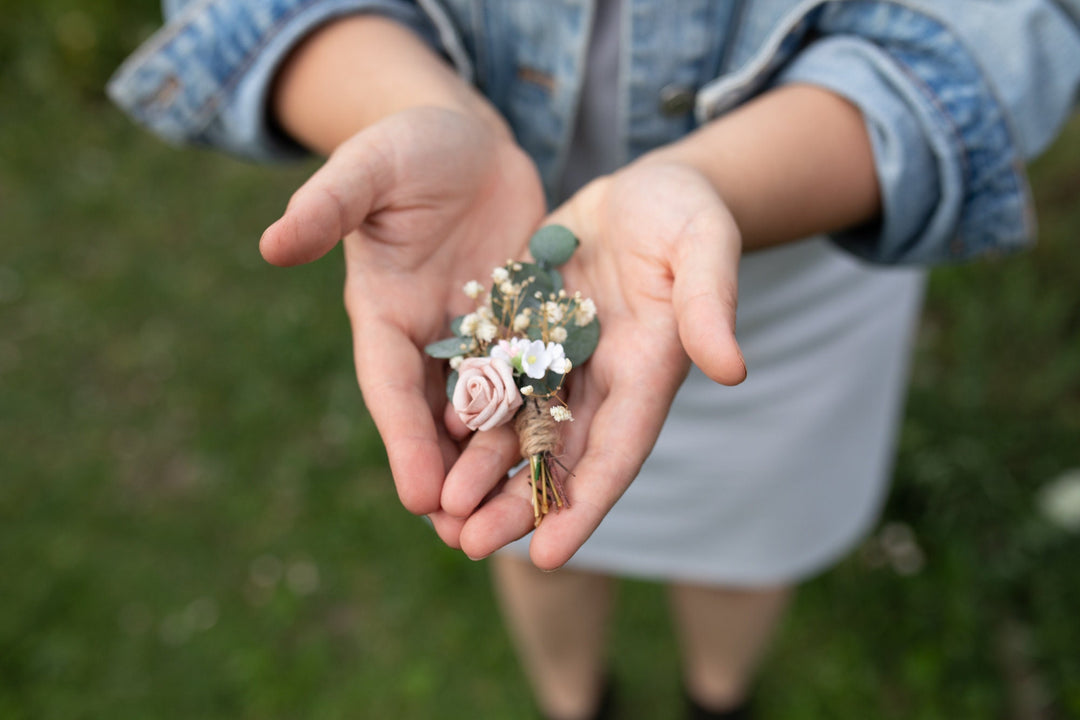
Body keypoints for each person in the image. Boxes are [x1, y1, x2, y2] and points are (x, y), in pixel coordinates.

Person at [109, 2, 1080, 717]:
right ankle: (578, 708)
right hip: (482, 229)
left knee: (748, 550)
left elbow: (995, 31)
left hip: (786, 239)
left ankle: (720, 700)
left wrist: (709, 181)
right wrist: (413, 102)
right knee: (541, 542)